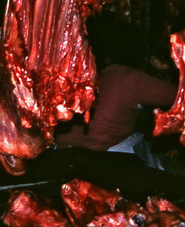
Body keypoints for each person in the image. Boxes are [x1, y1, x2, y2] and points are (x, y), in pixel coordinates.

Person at [56, 18, 177, 155]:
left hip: (61, 154)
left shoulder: (92, 74)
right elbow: (179, 96)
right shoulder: (131, 78)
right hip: (99, 158)